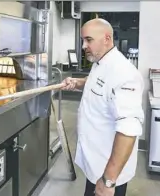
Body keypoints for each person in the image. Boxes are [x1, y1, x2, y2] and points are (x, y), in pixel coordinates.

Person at [62, 18, 144, 196]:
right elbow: (99, 84)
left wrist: (108, 180)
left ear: (106, 39)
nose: (83, 46)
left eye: (88, 40)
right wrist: (79, 83)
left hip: (109, 168)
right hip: (95, 162)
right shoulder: (101, 62)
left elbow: (128, 130)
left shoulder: (124, 73)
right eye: (83, 40)